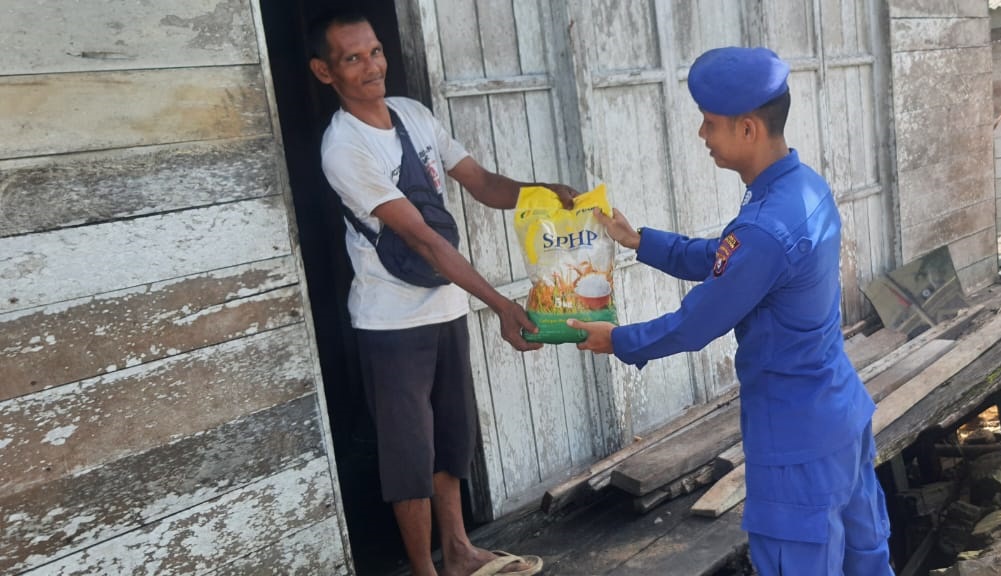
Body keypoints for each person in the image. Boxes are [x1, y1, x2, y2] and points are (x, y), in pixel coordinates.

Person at [567, 47, 893, 575]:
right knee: (866, 560)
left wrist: (617, 339)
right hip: (838, 417)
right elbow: (729, 261)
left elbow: (699, 320)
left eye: (709, 123)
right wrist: (640, 241)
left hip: (793, 442)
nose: (701, 135)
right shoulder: (802, 187)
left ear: (748, 129)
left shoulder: (765, 226)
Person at [308, 12, 573, 576]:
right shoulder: (344, 148)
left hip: (445, 304)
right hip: (390, 319)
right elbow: (423, 240)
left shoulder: (413, 115)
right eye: (352, 58)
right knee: (410, 454)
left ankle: (457, 551)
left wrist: (543, 192)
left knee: (451, 436)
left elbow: (480, 182)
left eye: (375, 52)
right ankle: (424, 571)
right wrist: (501, 304)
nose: (371, 66)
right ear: (324, 72)